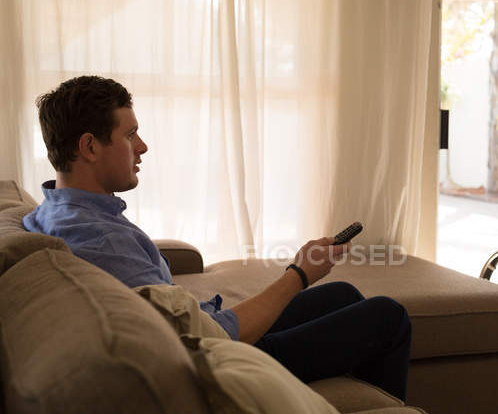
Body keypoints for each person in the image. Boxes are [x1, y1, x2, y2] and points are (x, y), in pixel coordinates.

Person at [23, 75, 411, 400]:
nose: (143, 147)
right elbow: (211, 337)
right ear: (89, 146)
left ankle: (357, 397)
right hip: (220, 359)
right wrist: (300, 273)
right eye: (131, 135)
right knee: (387, 317)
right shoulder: (100, 239)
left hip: (204, 332)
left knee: (341, 295)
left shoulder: (53, 212)